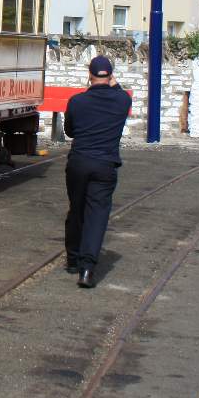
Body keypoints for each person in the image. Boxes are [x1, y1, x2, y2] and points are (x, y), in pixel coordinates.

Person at [62, 55, 131, 289]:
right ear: (110, 75)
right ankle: (87, 268)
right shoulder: (122, 100)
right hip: (105, 165)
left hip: (79, 162)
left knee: (77, 209)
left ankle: (72, 259)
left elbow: (69, 131)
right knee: (97, 215)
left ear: (89, 76)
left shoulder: (76, 102)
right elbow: (120, 91)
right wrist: (115, 83)